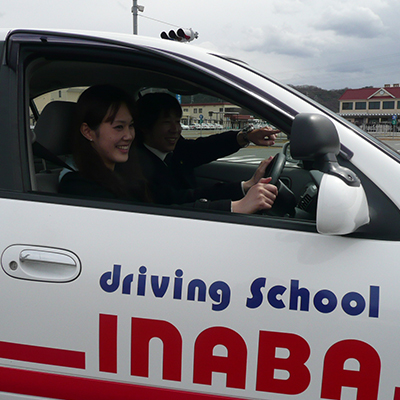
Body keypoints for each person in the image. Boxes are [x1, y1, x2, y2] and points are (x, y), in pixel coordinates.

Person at [116, 92, 278, 213]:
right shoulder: (136, 167)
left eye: (178, 122)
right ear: (144, 128)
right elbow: (178, 199)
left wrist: (246, 136)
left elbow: (204, 148)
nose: (176, 130)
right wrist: (236, 204)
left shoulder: (173, 149)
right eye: (166, 122)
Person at [58, 84, 148, 201]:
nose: (129, 136)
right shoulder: (79, 186)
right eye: (119, 127)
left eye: (131, 126)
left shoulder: (126, 170)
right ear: (88, 132)